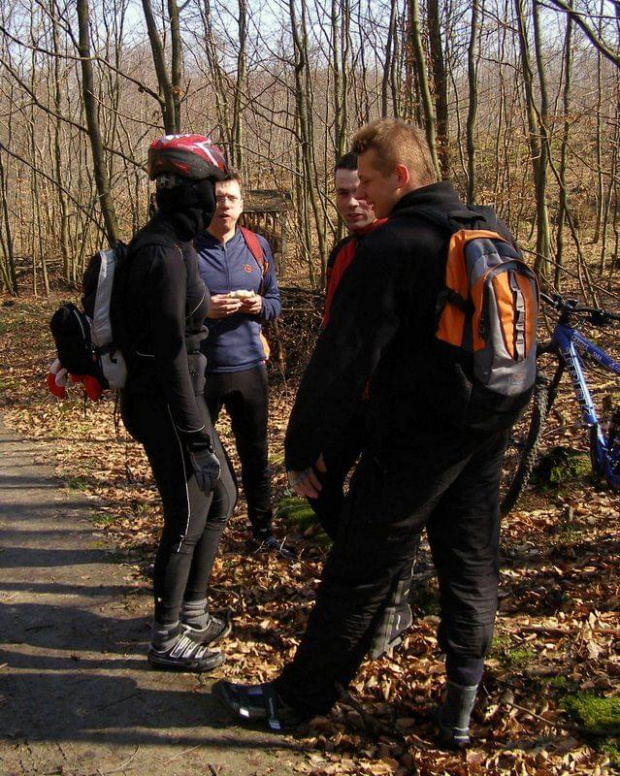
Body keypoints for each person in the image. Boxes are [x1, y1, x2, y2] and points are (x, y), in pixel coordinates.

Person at [215, 119, 522, 748]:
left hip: (413, 440)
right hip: (483, 430)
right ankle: (458, 711)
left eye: (372, 181)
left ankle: (295, 701)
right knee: (471, 564)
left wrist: (301, 450)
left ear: (401, 177)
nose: (363, 194)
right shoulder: (485, 233)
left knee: (359, 569)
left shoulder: (392, 247)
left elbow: (340, 362)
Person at [114, 134, 237, 672]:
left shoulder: (179, 242)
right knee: (188, 513)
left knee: (223, 498)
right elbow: (166, 358)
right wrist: (194, 437)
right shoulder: (161, 252)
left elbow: (186, 330)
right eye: (210, 188)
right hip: (163, 401)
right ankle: (166, 637)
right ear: (191, 191)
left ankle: (192, 609)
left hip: (179, 394)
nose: (216, 199)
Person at [195, 172, 288, 556]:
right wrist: (205, 309)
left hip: (250, 367)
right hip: (203, 371)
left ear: (242, 205)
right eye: (218, 199)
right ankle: (197, 534)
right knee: (200, 457)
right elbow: (168, 310)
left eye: (232, 198)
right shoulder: (188, 249)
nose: (225, 206)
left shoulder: (257, 245)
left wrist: (258, 305)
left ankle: (263, 532)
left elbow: (276, 303)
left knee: (256, 456)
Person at [306, 152, 384, 542]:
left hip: (390, 400)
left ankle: (385, 573)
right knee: (316, 481)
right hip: (348, 398)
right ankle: (352, 551)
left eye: (360, 191)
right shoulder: (342, 252)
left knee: (381, 498)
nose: (352, 203)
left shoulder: (400, 245)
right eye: (342, 193)